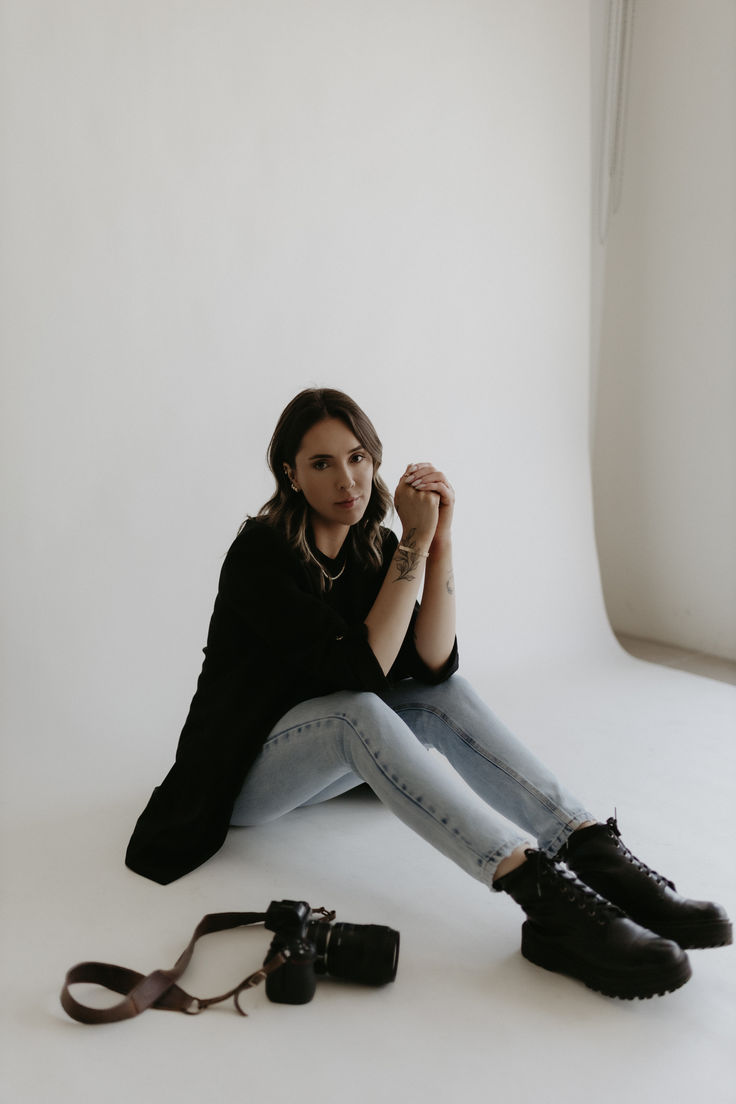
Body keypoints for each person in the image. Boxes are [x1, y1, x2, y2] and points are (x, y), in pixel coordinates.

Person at [126, 387, 731, 1000]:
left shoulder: (373, 548)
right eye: (322, 464)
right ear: (290, 474)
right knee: (358, 710)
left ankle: (592, 851)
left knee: (444, 696)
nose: (348, 480)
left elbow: (434, 667)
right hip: (242, 774)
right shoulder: (260, 552)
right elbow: (361, 671)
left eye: (358, 458)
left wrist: (437, 539)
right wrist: (410, 545)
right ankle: (543, 899)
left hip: (324, 759)